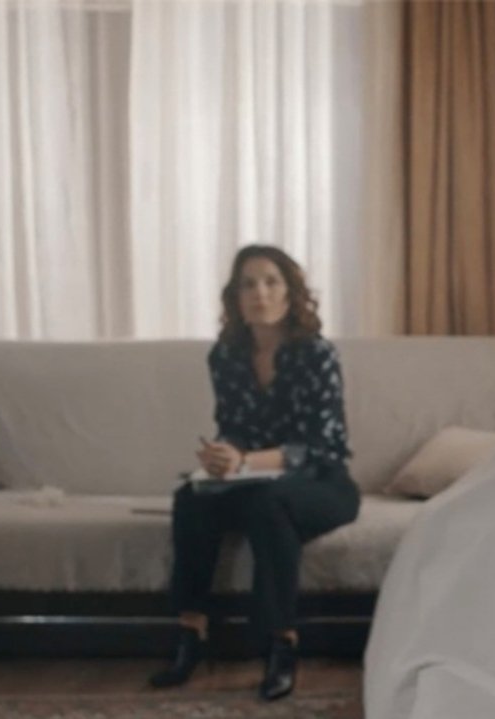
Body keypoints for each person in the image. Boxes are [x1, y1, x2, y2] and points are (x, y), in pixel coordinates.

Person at [149, 245, 360, 701]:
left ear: (290, 293)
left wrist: (246, 461)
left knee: (269, 506)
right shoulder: (226, 356)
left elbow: (322, 446)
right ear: (235, 297)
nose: (259, 293)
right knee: (191, 497)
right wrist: (223, 455)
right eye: (248, 284)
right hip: (255, 483)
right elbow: (235, 429)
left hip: (322, 483)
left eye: (270, 282)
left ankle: (281, 644)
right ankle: (190, 635)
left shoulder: (317, 354)